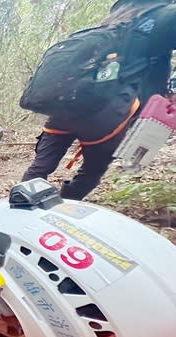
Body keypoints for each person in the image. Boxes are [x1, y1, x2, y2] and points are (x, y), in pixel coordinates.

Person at [22, 0, 176, 200]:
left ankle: (22, 205)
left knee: (40, 167)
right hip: (106, 117)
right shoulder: (162, 19)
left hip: (65, 108)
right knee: (91, 172)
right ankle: (66, 205)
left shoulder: (113, 24)